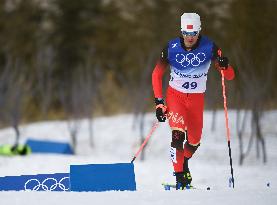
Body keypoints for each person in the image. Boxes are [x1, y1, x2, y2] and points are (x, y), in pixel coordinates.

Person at [152, 13, 235, 189]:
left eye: (193, 34)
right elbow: (157, 74)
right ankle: (180, 177)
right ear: (181, 32)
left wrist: (225, 66)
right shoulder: (171, 48)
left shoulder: (210, 47)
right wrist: (159, 102)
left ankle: (184, 162)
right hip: (176, 96)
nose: (189, 38)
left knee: (194, 141)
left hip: (197, 99)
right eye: (186, 33)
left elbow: (229, 76)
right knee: (177, 136)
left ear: (199, 32)